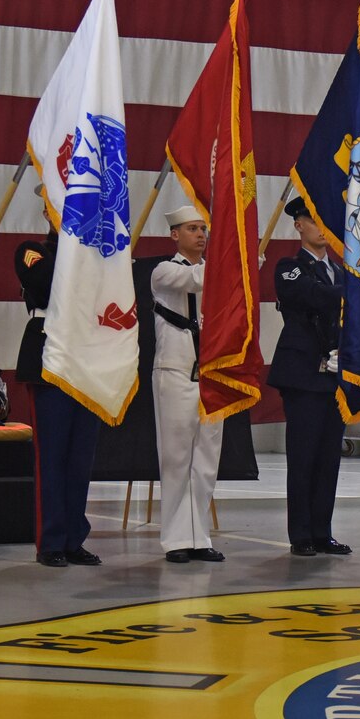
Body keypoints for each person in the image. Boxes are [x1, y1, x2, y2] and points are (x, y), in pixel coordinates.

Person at [13, 226, 103, 568]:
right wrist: (74, 249)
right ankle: (50, 540)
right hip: (48, 354)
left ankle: (73, 538)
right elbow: (44, 284)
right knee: (51, 457)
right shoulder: (31, 249)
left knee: (80, 459)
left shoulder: (95, 253)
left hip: (86, 358)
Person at [269, 200, 350, 556]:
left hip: (335, 376)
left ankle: (322, 531)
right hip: (303, 374)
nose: (322, 228)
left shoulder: (341, 272)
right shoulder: (290, 267)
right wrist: (356, 294)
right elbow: (313, 296)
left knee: (329, 457)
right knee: (303, 457)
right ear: (298, 226)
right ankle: (300, 534)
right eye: (313, 221)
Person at [151, 206, 223, 564]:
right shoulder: (164, 271)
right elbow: (197, 281)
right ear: (175, 235)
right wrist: (234, 261)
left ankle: (199, 538)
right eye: (192, 229)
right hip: (176, 372)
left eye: (204, 229)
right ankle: (176, 539)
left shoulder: (215, 271)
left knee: (206, 460)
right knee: (177, 458)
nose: (200, 235)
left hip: (210, 373)